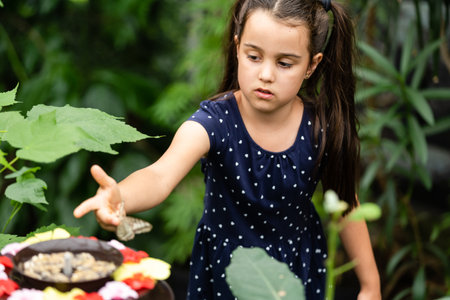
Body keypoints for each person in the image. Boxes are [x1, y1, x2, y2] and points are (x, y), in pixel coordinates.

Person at [74, 0, 381, 299]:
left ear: (312, 65)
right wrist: (121, 197)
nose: (266, 74)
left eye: (284, 63)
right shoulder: (215, 122)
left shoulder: (320, 129)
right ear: (237, 47)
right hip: (225, 273)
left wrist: (370, 285)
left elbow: (345, 203)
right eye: (254, 57)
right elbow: (160, 175)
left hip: (296, 273)